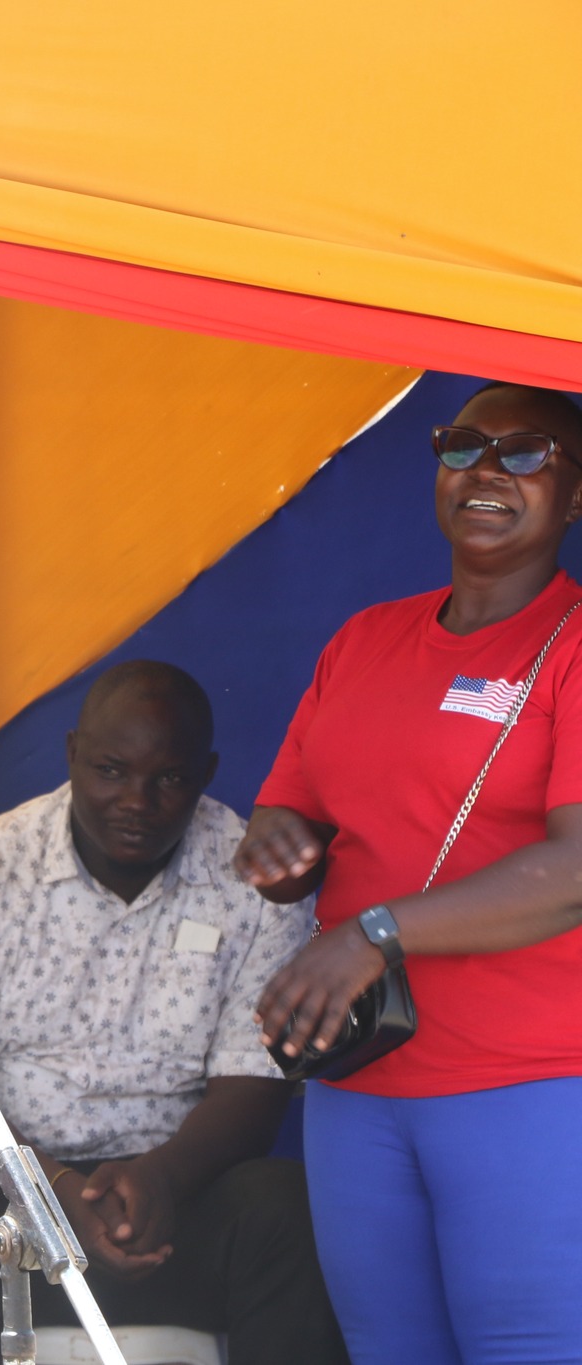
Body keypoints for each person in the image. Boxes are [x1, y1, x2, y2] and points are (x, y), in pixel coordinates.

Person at [235, 382, 582, 1365]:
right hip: (361, 1081)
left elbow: (573, 869)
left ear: (573, 496)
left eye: (525, 454)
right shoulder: (363, 641)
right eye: (462, 445)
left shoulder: (572, 649)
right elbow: (293, 807)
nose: (484, 470)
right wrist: (274, 847)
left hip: (530, 1086)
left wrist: (373, 932)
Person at [0, 661, 343, 1365]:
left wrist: (163, 1176)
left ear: (207, 772)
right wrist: (53, 1193)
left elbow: (257, 1086)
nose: (137, 800)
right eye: (111, 769)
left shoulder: (254, 883)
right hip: (16, 1204)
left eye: (170, 779)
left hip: (175, 1203)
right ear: (71, 755)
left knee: (289, 1207)